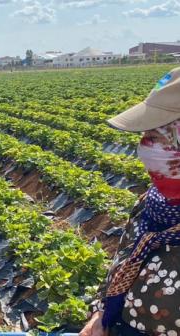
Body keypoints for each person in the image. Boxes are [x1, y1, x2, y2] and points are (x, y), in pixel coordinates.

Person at [81, 67, 180, 336]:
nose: (147, 148)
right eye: (147, 136)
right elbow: (124, 261)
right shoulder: (153, 202)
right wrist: (101, 314)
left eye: (161, 136)